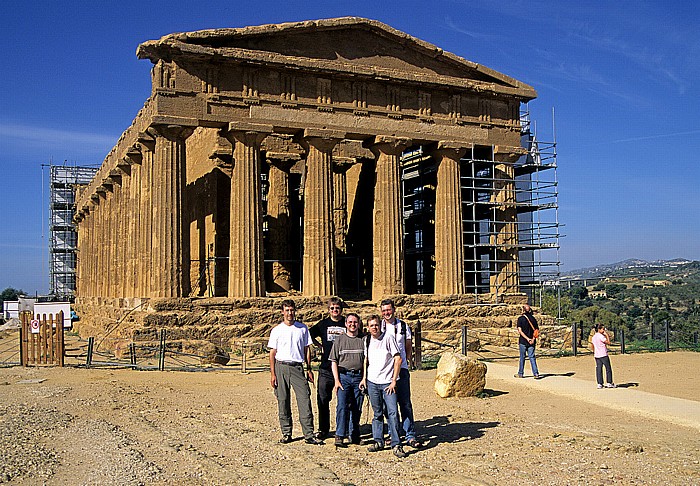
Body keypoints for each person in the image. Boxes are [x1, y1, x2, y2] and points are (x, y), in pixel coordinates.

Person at [268, 299, 324, 445]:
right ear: (282, 312)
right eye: (287, 310)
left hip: (298, 367)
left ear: (295, 311)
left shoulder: (302, 328)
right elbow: (272, 353)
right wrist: (273, 374)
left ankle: (309, 434)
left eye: (292, 310)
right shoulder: (276, 330)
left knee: (304, 400)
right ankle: (286, 433)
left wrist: (309, 368)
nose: (289, 313)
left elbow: (307, 350)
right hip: (281, 367)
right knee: (283, 401)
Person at [360, 315, 407, 458]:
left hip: (387, 383)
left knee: (392, 413)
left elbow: (398, 359)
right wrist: (364, 378)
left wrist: (394, 381)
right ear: (368, 327)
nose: (374, 327)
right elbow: (366, 360)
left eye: (376, 325)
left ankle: (396, 443)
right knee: (377, 413)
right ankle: (378, 440)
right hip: (373, 382)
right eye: (371, 325)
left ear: (380, 325)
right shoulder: (367, 340)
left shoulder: (388, 338)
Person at [380, 299, 422, 448]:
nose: (386, 313)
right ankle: (393, 433)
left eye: (388, 310)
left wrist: (405, 362)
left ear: (394, 309)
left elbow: (408, 345)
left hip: (401, 369)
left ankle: (410, 434)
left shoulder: (403, 326)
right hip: (384, 372)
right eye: (384, 310)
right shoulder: (379, 326)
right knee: (388, 406)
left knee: (405, 404)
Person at [309, 297, 346, 440]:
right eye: (332, 308)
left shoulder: (347, 322)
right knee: (322, 400)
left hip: (343, 368)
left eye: (337, 308)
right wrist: (318, 346)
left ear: (341, 309)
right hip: (326, 368)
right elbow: (309, 334)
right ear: (328, 310)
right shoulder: (323, 324)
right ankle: (323, 429)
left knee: (344, 401)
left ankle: (343, 430)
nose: (335, 310)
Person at [329, 312, 365, 447]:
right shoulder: (339, 340)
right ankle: (340, 435)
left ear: (358, 324)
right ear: (345, 324)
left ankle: (354, 435)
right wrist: (336, 380)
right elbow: (333, 361)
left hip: (358, 378)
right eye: (350, 322)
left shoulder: (364, 339)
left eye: (355, 322)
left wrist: (364, 378)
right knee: (342, 406)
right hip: (343, 377)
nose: (352, 324)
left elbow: (366, 361)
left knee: (357, 407)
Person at [515, 304, 541, 379]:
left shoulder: (520, 319)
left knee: (522, 357)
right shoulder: (533, 319)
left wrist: (527, 339)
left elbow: (520, 331)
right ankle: (536, 373)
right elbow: (536, 331)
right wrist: (532, 339)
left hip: (523, 341)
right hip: (532, 341)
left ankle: (520, 373)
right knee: (532, 357)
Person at [592, 323, 616, 389]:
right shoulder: (601, 336)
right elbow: (608, 342)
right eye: (603, 329)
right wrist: (606, 335)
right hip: (603, 354)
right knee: (608, 368)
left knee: (599, 369)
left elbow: (592, 346)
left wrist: (594, 352)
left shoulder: (594, 337)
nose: (604, 330)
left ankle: (600, 383)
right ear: (599, 329)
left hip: (597, 355)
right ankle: (609, 382)